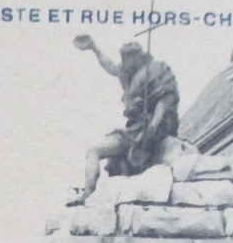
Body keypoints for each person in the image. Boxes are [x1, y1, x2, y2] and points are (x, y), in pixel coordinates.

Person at [68, 34, 181, 202]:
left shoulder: (156, 69)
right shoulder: (128, 74)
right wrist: (94, 47)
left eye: (126, 58)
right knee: (93, 151)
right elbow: (111, 67)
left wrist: (153, 126)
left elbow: (164, 100)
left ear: (137, 56)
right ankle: (88, 193)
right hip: (132, 129)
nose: (124, 63)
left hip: (149, 128)